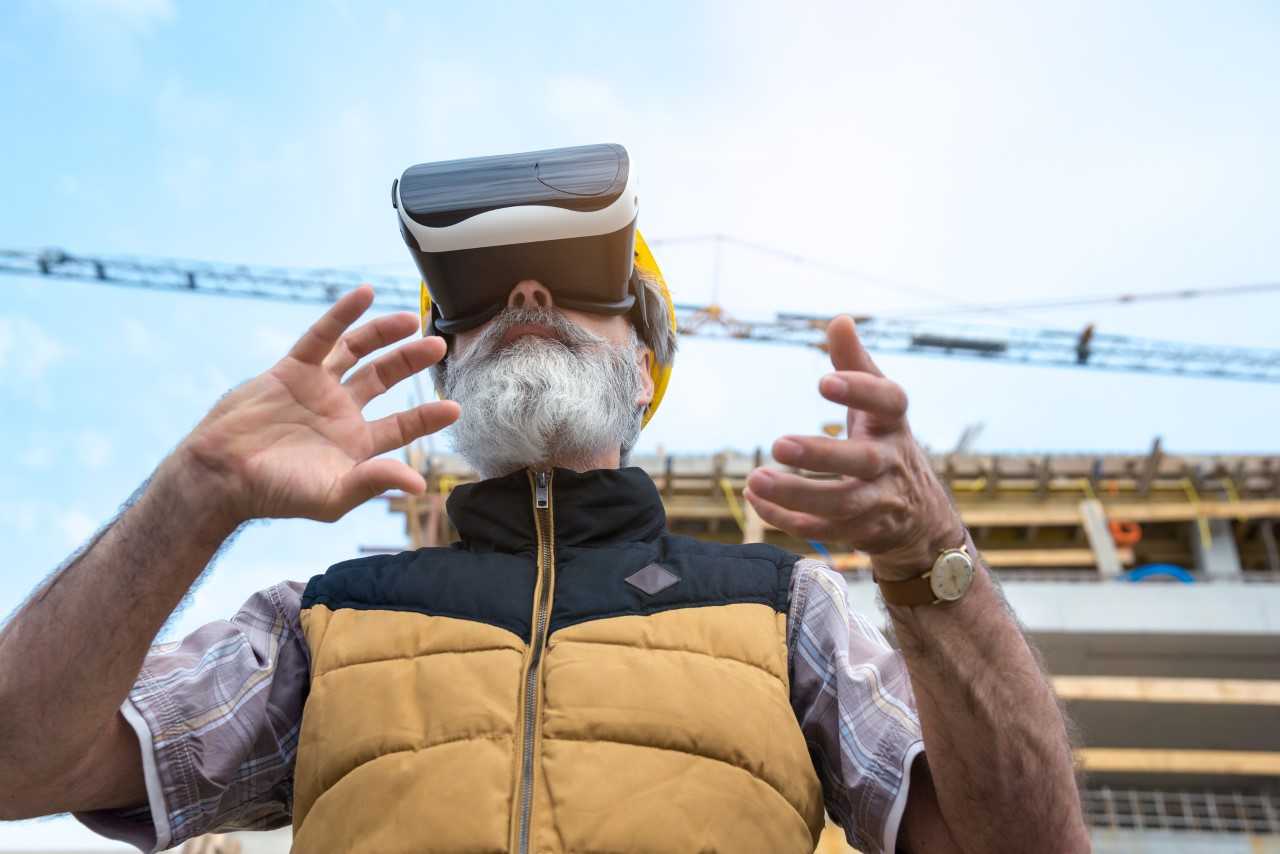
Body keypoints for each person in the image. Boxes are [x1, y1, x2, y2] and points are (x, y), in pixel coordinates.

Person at [0, 278, 1088, 853]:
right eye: (476, 294)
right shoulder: (322, 619)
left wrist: (928, 555)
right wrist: (196, 488)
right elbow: (18, 761)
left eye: (573, 277)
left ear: (643, 353)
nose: (523, 294)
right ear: (446, 356)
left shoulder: (781, 607)